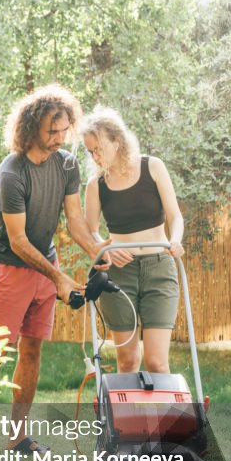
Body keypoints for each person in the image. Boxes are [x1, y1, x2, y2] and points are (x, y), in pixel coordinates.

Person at [0, 85, 109, 461]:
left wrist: (99, 252)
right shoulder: (11, 173)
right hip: (12, 269)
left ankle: (18, 439)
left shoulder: (67, 165)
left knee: (33, 351)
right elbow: (19, 241)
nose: (59, 139)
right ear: (32, 127)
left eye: (64, 130)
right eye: (52, 131)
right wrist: (58, 278)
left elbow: (74, 222)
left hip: (45, 269)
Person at [80, 106, 186, 373]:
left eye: (99, 148)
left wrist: (176, 239)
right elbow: (90, 230)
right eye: (90, 151)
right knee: (127, 361)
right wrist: (107, 249)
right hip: (120, 273)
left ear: (117, 140)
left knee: (156, 362)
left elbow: (175, 216)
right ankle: (126, 416)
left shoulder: (153, 167)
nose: (95, 155)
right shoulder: (96, 185)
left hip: (159, 268)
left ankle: (161, 416)